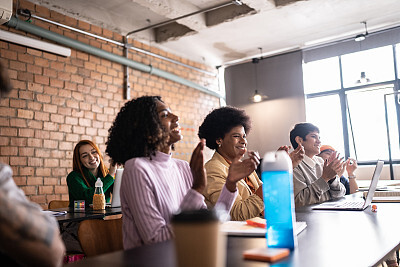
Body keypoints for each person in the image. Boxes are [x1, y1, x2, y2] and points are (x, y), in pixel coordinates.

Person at [106, 96, 259, 249]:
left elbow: (208, 222)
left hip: (186, 256)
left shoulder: (182, 167)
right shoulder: (136, 168)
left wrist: (230, 185)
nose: (176, 117)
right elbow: (156, 239)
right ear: (146, 129)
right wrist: (196, 190)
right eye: (165, 115)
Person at [0, 60, 65, 266]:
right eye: (85, 155)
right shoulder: (75, 177)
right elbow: (51, 253)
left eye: (94, 153)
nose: (92, 158)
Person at [198, 106, 263, 221]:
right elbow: (236, 215)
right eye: (236, 136)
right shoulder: (212, 170)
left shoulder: (245, 166)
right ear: (219, 140)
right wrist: (270, 181)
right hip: (236, 236)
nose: (243, 141)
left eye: (244, 136)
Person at [289, 123, 346, 207]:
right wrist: (325, 178)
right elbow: (299, 202)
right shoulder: (292, 165)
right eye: (313, 136)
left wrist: (332, 179)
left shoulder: (321, 162)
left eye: (319, 137)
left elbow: (340, 194)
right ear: (299, 140)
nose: (319, 141)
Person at [67, 140, 118, 208]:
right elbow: (90, 199)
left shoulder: (106, 173)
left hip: (102, 218)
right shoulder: (73, 177)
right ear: (80, 161)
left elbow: (121, 196)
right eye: (85, 156)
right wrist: (111, 175)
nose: (91, 157)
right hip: (80, 217)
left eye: (94, 152)